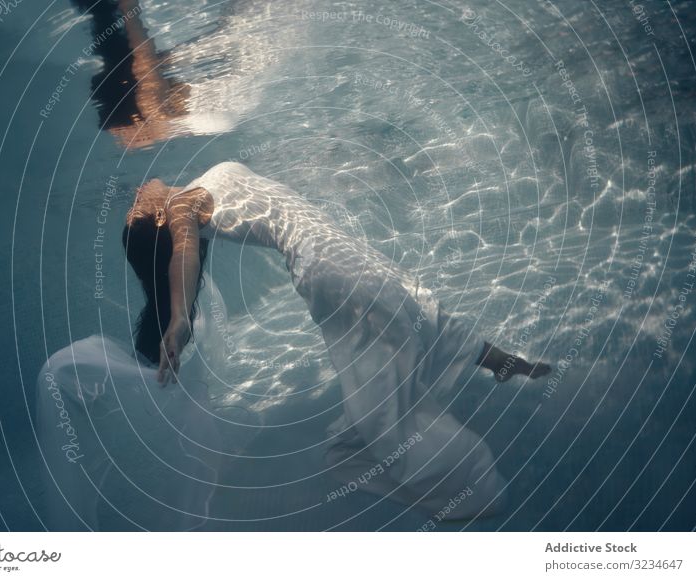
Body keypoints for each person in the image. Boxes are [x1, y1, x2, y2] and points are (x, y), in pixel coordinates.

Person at [122, 161, 551, 519]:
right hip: (325, 264)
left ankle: (504, 364)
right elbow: (185, 255)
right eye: (135, 207)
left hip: (339, 250)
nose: (137, 192)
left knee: (415, 310)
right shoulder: (180, 205)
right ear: (157, 217)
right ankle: (470, 491)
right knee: (385, 380)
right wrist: (179, 318)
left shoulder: (196, 188)